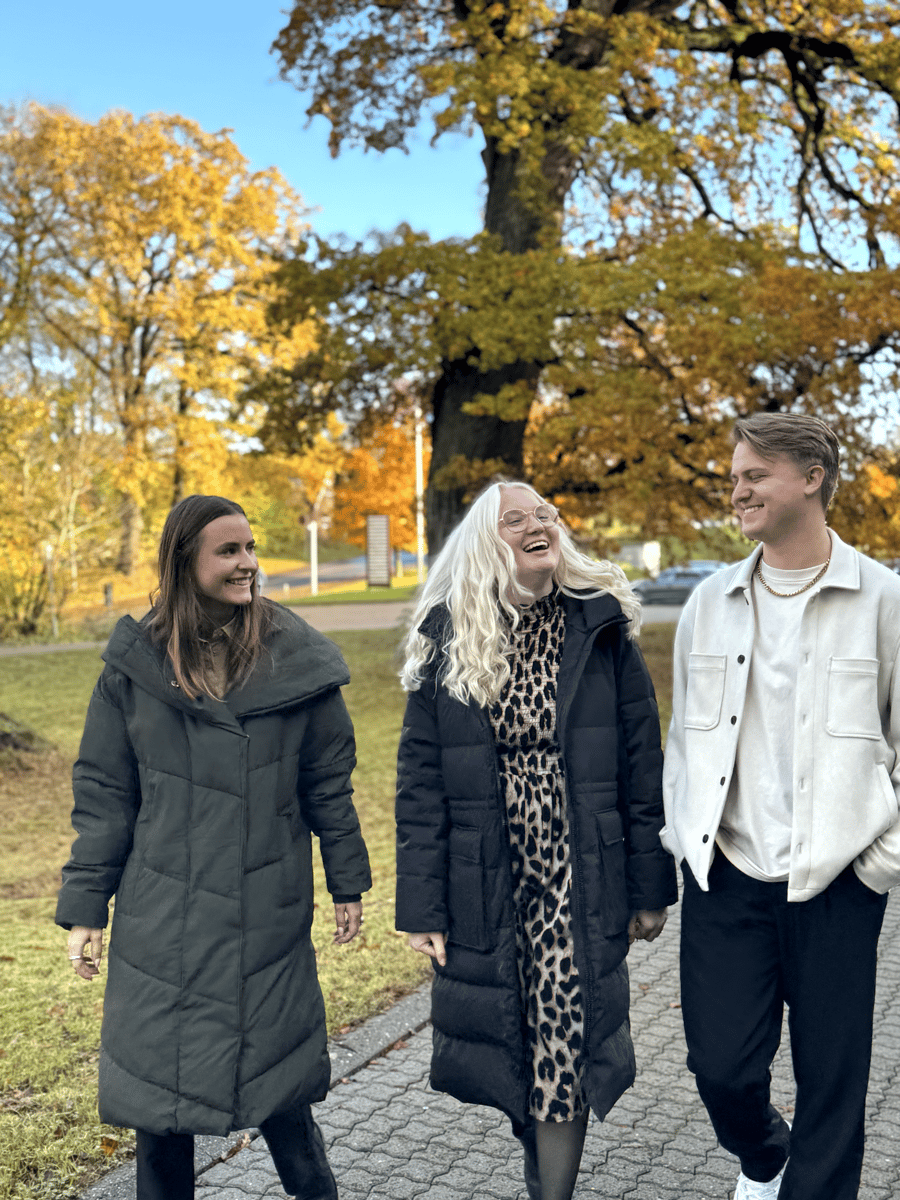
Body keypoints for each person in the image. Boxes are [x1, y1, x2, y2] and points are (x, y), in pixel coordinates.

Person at [56, 494, 371, 1200]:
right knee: (159, 1116)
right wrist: (85, 911)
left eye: (250, 548)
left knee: (284, 1099)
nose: (248, 563)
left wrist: (346, 883)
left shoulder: (300, 662)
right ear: (184, 562)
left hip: (268, 917)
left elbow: (330, 787)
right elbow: (106, 797)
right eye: (228, 551)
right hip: (162, 923)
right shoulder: (132, 671)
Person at [395, 480, 677, 1200]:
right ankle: (538, 1168)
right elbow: (420, 786)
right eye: (514, 519)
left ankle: (552, 1193)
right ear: (487, 543)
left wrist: (649, 887)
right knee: (512, 1048)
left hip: (578, 874)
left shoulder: (600, 628)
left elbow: (643, 769)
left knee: (566, 1040)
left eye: (545, 513)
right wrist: (423, 907)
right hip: (485, 879)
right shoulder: (448, 637)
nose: (536, 524)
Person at [662, 413, 900, 1200]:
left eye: (754, 475)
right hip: (728, 879)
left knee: (834, 1084)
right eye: (734, 477)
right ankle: (764, 1158)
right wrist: (686, 841)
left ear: (812, 477)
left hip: (837, 882)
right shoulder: (710, 603)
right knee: (721, 1067)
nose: (738, 490)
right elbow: (684, 744)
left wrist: (878, 863)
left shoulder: (881, 599)